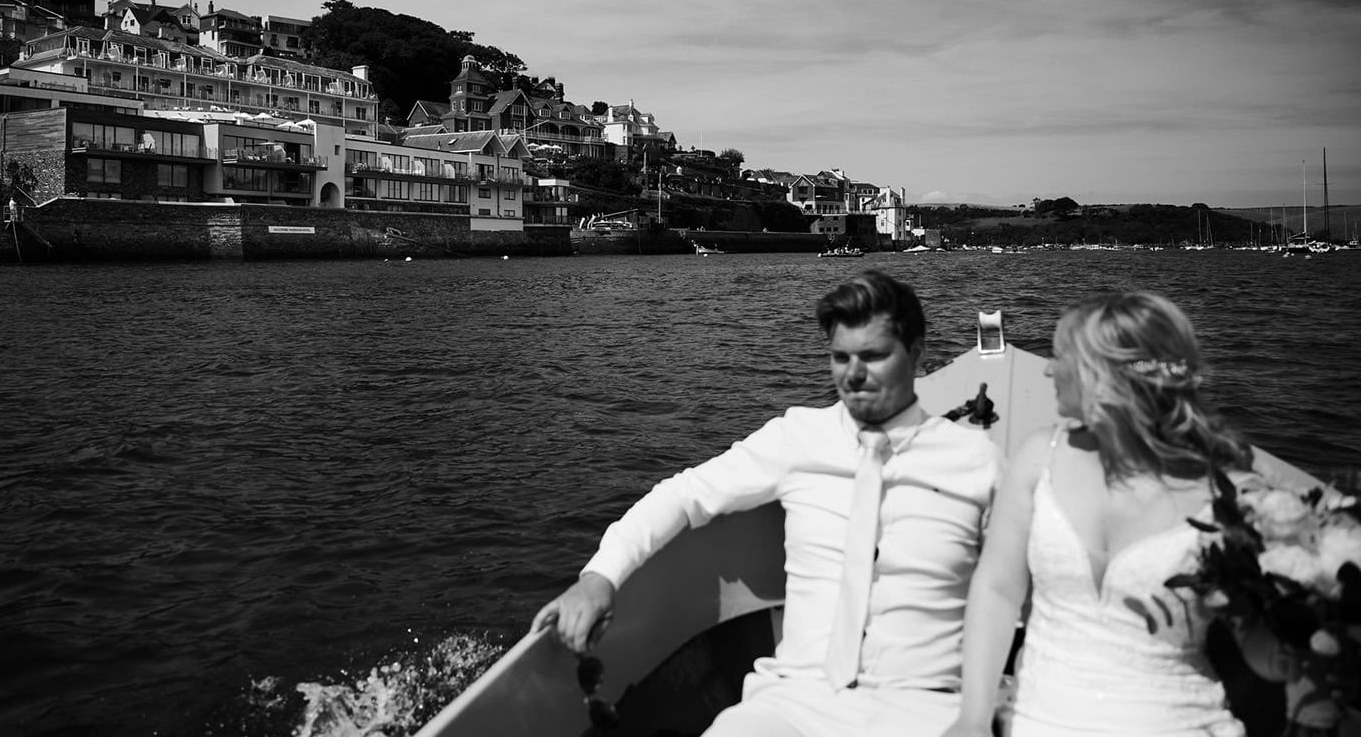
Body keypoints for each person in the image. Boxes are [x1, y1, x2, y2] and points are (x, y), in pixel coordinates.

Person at [532, 270, 1004, 737]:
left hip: (927, 705)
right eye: (840, 357)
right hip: (795, 699)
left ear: (917, 354)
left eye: (873, 356)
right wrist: (598, 578)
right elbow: (683, 495)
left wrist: (983, 711)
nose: (854, 374)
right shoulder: (797, 438)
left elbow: (1017, 583)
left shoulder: (975, 462)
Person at [942, 291, 1253, 737]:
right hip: (1039, 720)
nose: (1047, 369)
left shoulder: (1226, 491)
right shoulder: (1040, 457)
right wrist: (973, 718)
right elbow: (997, 589)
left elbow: (1251, 633)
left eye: (1060, 356)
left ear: (1101, 373)